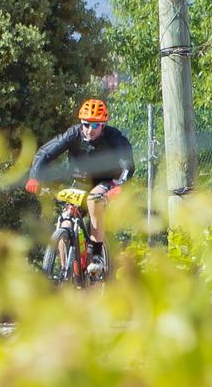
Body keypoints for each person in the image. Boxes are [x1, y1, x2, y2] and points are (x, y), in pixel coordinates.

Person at [25, 98, 134, 270]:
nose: (89, 130)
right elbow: (45, 152)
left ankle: (97, 256)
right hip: (80, 182)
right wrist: (34, 176)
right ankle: (66, 272)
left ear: (103, 124)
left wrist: (119, 185)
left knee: (93, 200)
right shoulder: (74, 134)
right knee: (64, 223)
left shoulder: (114, 137)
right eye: (86, 124)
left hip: (105, 182)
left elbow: (127, 163)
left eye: (96, 126)